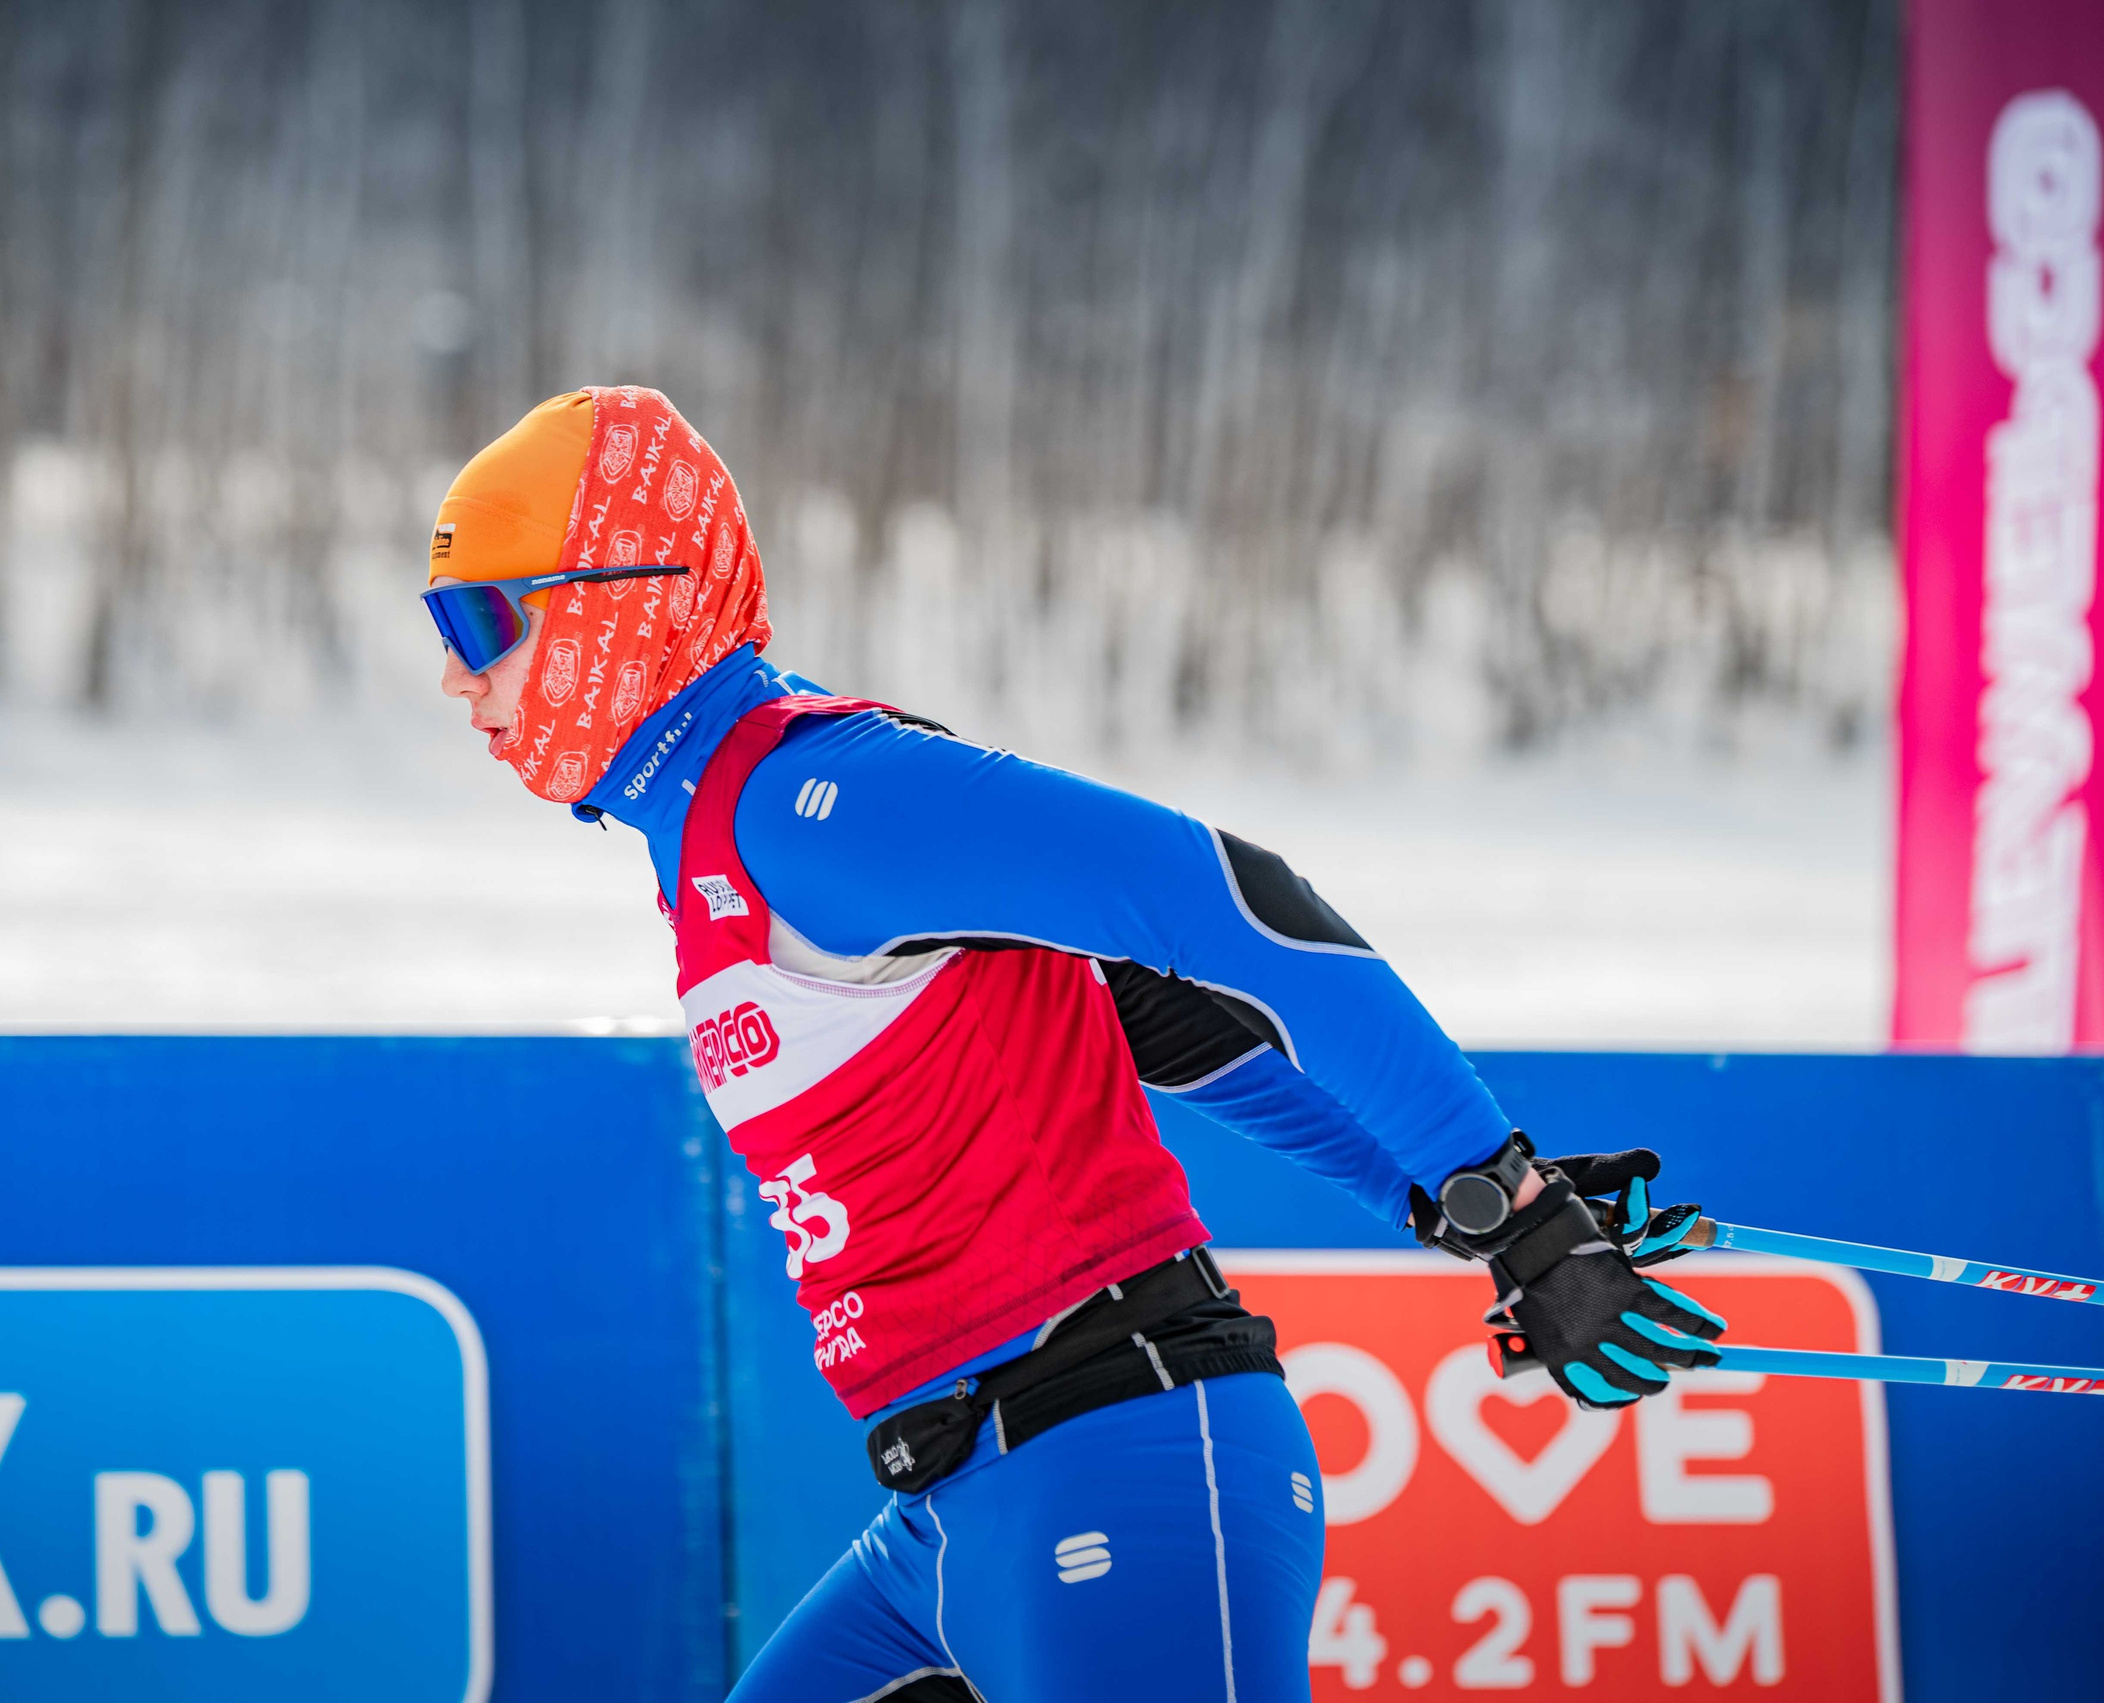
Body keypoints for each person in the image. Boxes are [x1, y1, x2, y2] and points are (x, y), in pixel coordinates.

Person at [423, 387, 1725, 1703]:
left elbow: (1229, 908)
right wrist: (1445, 1203)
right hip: (951, 1516)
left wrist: (1509, 1199)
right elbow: (1169, 1024)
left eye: (481, 619)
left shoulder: (816, 799)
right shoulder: (706, 837)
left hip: (1126, 1465)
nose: (454, 672)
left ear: (622, 598)